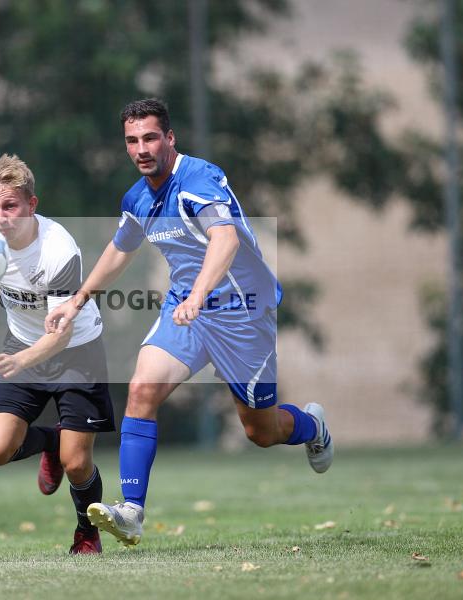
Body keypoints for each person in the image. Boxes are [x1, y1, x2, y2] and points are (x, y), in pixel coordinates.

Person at [45, 99, 333, 546]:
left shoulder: (199, 179)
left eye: (150, 138)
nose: (141, 148)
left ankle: (313, 427)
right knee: (142, 388)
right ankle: (132, 511)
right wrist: (77, 301)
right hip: (187, 312)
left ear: (170, 138)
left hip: (242, 315)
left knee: (261, 430)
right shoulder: (138, 198)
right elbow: (120, 249)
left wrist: (200, 294)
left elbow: (226, 238)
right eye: (132, 140)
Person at [0, 154, 114, 554]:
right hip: (22, 344)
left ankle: (87, 532)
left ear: (32, 204)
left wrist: (20, 361)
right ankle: (50, 442)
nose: (1, 217)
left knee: (76, 464)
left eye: (10, 206)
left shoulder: (58, 249)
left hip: (75, 351)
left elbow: (60, 337)